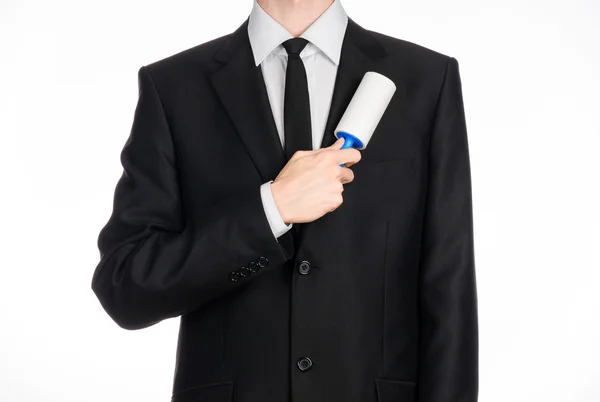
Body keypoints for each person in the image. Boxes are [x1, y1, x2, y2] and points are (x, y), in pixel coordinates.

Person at [91, 0, 479, 401]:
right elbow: (126, 287)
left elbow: (448, 287)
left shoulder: (426, 79)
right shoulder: (173, 86)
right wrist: (270, 210)